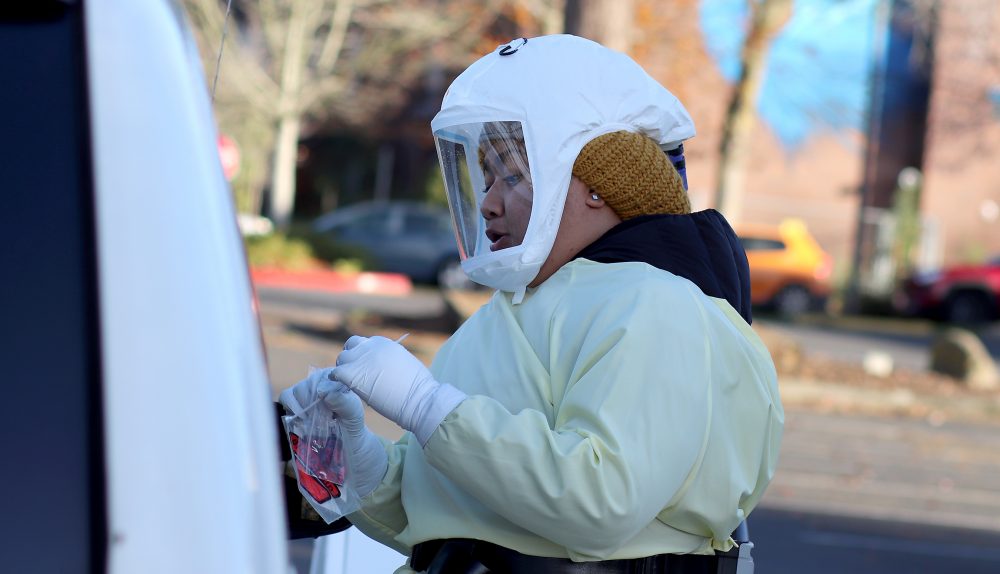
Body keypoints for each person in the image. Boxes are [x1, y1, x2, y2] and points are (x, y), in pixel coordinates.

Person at [280, 34, 783, 573]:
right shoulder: (520, 308)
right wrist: (364, 469)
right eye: (486, 178)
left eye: (513, 175)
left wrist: (429, 408)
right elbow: (461, 512)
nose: (489, 202)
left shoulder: (654, 303)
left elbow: (601, 500)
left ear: (596, 182)